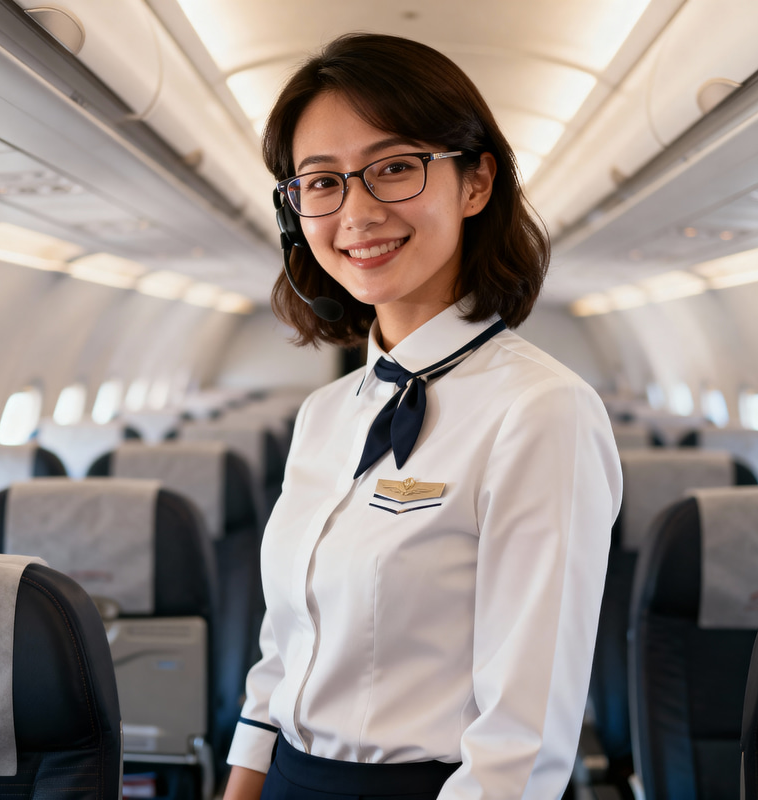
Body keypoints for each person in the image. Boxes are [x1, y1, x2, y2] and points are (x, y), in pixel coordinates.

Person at [223, 32, 622, 800]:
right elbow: (283, 652)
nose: (357, 212)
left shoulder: (542, 412)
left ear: (476, 183)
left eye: (395, 168)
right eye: (322, 182)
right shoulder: (324, 413)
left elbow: (522, 744)